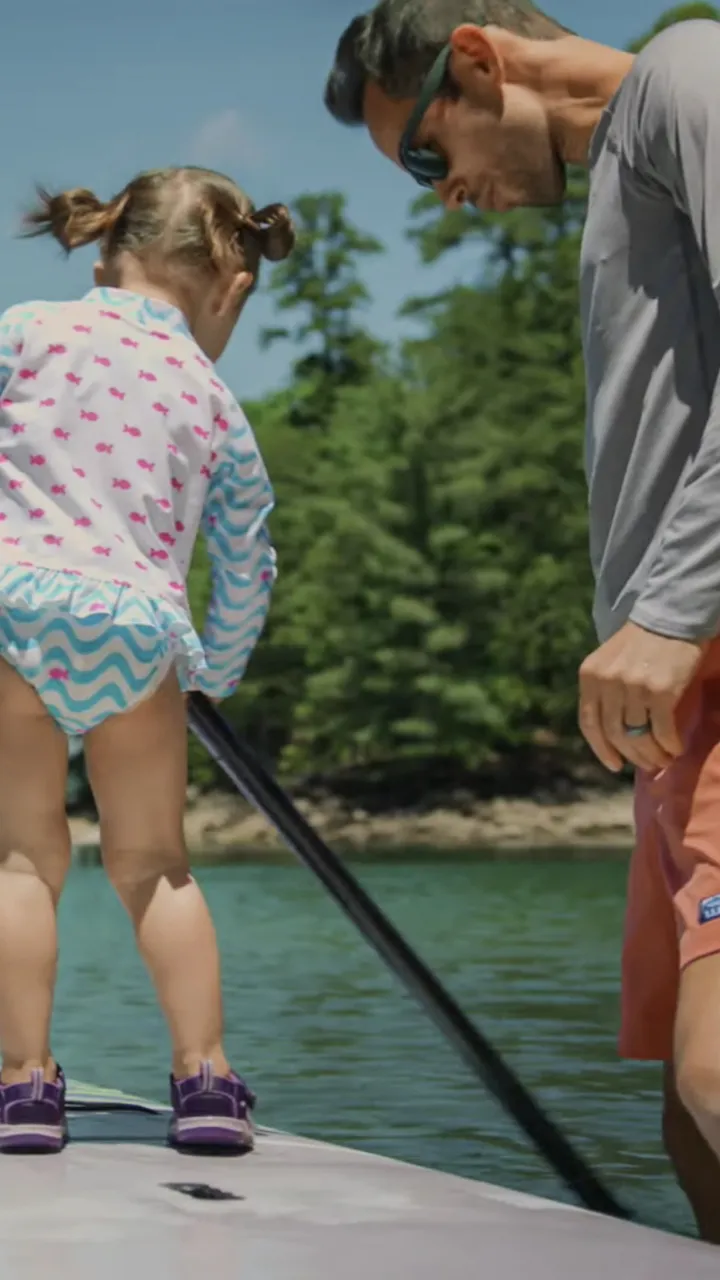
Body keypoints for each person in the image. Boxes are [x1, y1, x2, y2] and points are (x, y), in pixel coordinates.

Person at [323, 1, 720, 1244]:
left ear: (481, 60)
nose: (444, 197)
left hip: (702, 645)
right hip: (678, 713)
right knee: (688, 1121)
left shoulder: (687, 73)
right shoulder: (622, 177)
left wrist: (671, 603)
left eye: (429, 157)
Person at [0, 165, 294, 1153]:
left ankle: (26, 1085)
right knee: (156, 862)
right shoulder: (212, 398)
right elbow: (250, 546)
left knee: (21, 857)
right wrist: (216, 665)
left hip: (13, 612)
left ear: (105, 245)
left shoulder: (25, 329)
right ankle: (204, 1077)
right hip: (137, 628)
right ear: (230, 280)